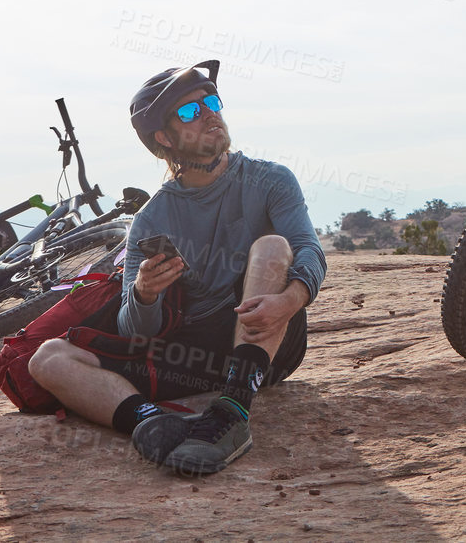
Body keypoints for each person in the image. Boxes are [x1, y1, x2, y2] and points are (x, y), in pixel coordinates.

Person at [27, 61, 325, 476]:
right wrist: (144, 294)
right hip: (192, 355)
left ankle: (234, 411)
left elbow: (309, 250)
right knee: (47, 359)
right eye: (190, 111)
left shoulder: (270, 180)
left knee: (274, 246)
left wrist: (289, 302)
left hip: (267, 338)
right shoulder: (152, 218)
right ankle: (150, 422)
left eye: (212, 102)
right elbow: (136, 330)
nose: (209, 114)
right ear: (164, 138)